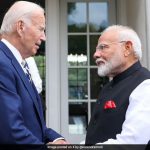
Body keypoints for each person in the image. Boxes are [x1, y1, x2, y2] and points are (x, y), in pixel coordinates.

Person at [0, 1, 68, 145]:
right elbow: (10, 132)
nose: (44, 37)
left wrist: (56, 139)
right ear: (20, 27)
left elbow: (32, 122)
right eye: (41, 29)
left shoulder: (18, 63)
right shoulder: (2, 63)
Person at [85, 25, 150, 144]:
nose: (96, 54)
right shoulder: (108, 86)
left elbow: (131, 143)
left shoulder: (146, 86)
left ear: (127, 48)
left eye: (103, 47)